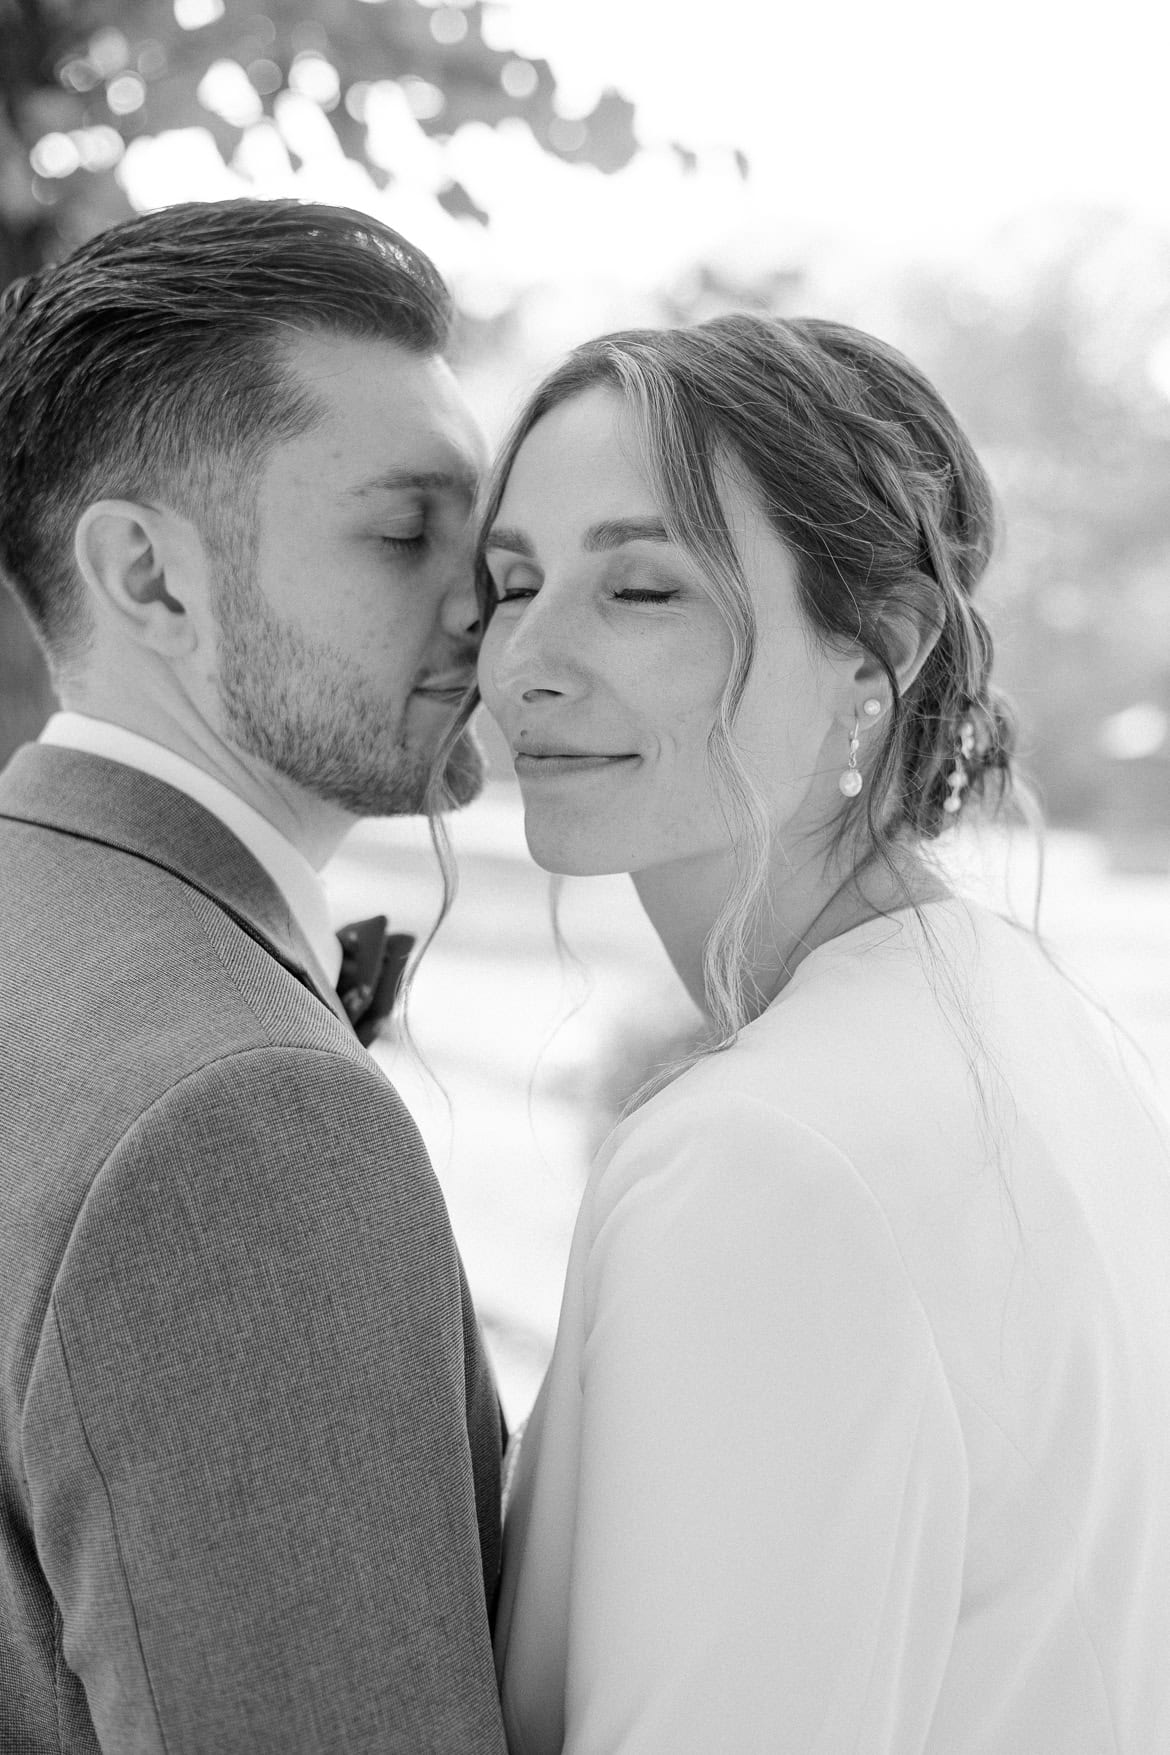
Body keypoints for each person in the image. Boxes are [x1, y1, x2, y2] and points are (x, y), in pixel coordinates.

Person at [472, 315, 1170, 1752]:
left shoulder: (760, 1163)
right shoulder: (1037, 1020)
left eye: (641, 589)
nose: (523, 662)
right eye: (513, 583)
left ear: (880, 654)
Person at [0, 200, 507, 1753]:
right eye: (400, 529)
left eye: (481, 535)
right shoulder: (243, 1120)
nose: (487, 599)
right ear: (151, 579)